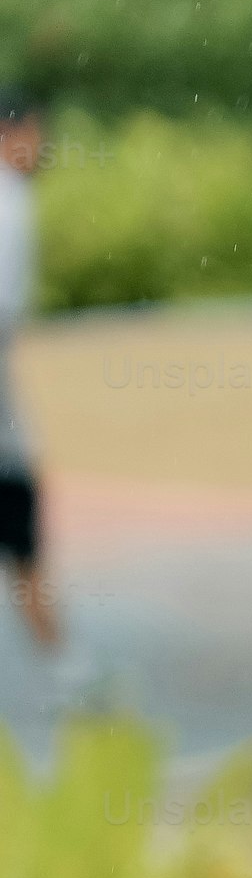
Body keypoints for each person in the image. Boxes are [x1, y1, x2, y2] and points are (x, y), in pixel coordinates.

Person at [0, 88, 83, 695]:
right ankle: (71, 680)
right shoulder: (10, 205)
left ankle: (69, 675)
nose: (40, 146)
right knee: (25, 541)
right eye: (32, 132)